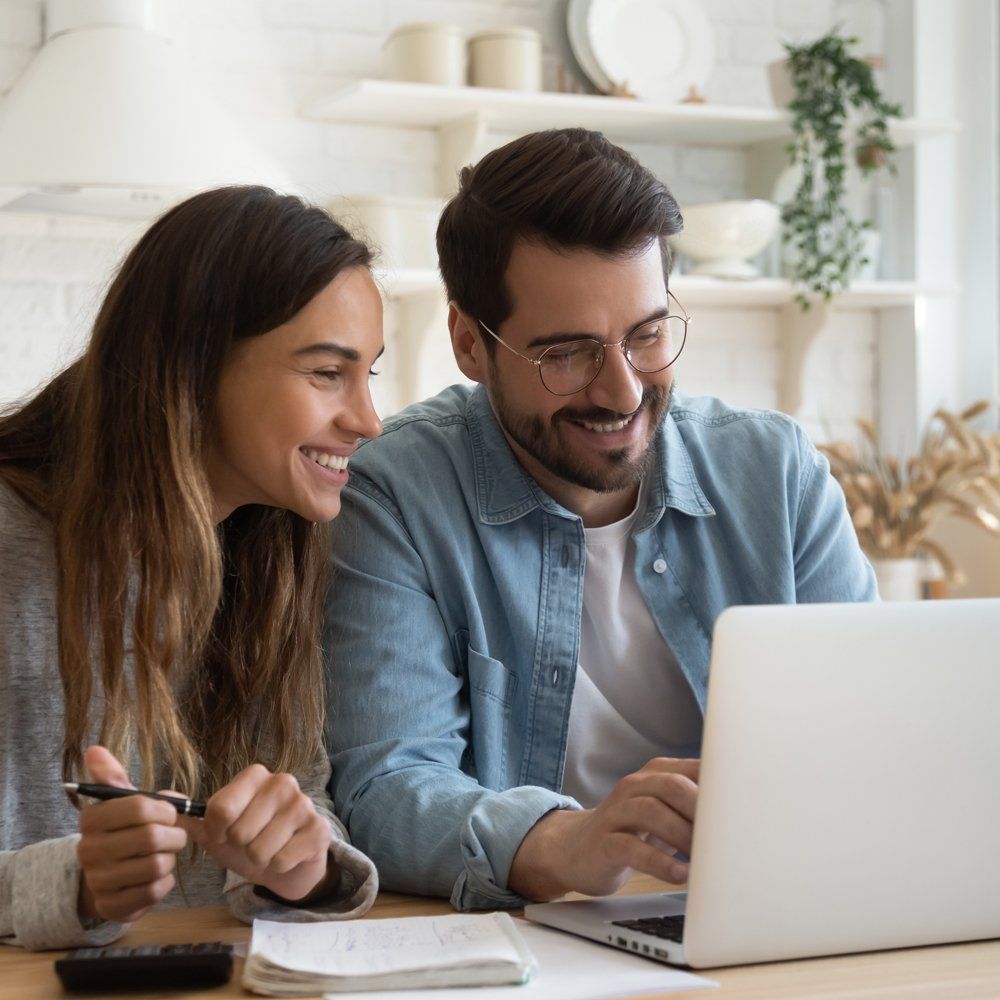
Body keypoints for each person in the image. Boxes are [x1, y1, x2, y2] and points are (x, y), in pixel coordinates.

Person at [324, 129, 877, 911]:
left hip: (770, 912)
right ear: (468, 344)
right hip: (535, 942)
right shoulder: (395, 498)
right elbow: (386, 788)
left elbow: (874, 738)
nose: (621, 392)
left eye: (648, 335)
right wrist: (568, 843)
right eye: (567, 353)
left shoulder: (777, 474)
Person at [0, 186, 384, 949]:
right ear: (194, 366)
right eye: (326, 374)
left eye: (369, 372)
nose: (369, 419)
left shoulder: (272, 545)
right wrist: (70, 884)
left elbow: (300, 794)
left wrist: (301, 867)